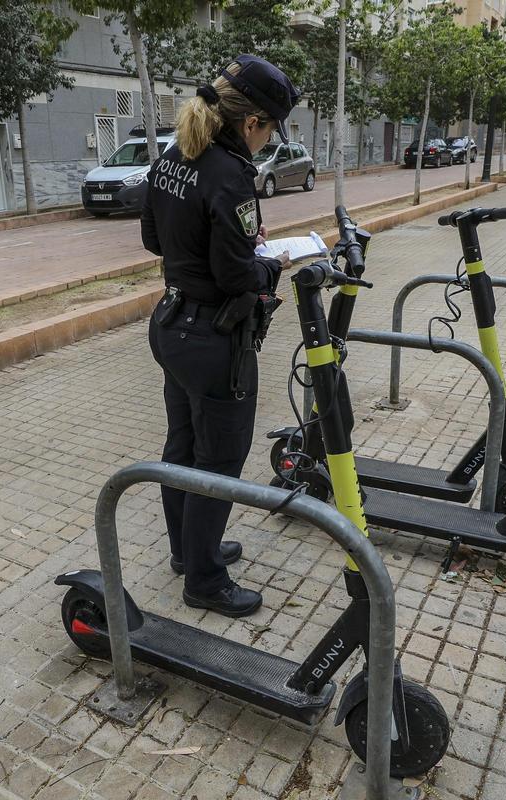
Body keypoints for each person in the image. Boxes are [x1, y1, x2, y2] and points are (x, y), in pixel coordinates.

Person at [140, 55, 299, 618]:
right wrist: (273, 263)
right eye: (272, 128)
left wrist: (213, 252)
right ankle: (205, 579)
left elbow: (153, 239)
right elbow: (236, 276)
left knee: (183, 445)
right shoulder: (231, 173)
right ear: (252, 122)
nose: (270, 139)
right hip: (213, 339)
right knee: (220, 459)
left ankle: (190, 550)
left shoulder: (173, 155)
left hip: (171, 324)